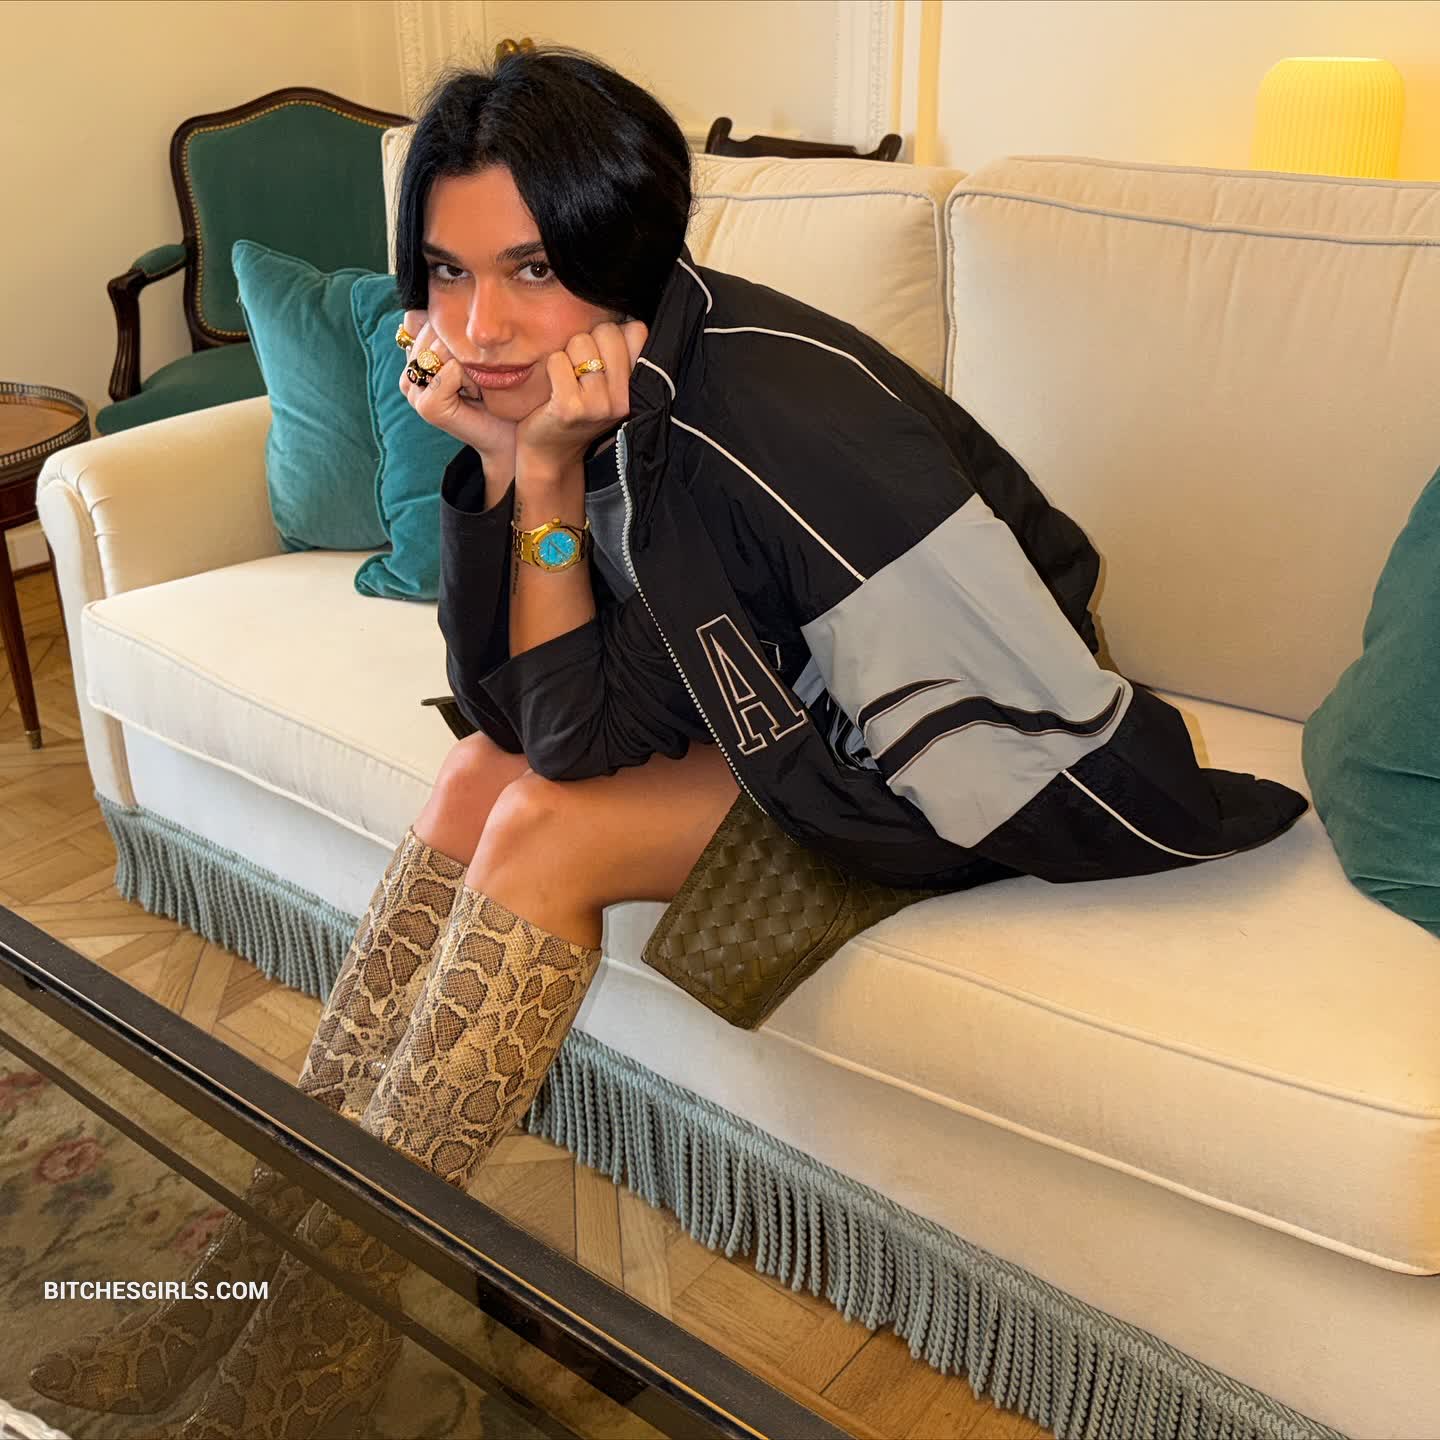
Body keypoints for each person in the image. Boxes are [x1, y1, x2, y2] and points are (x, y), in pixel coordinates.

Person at [29, 43, 1307, 1437]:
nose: (480, 325)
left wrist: (541, 473)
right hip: (786, 692)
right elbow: (517, 712)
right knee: (474, 773)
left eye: (530, 268)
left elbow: (607, 745)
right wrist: (508, 465)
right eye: (447, 273)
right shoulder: (612, 384)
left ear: (617, 251)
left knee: (543, 826)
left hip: (947, 752)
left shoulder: (758, 419)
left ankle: (306, 1355)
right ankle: (261, 1271)